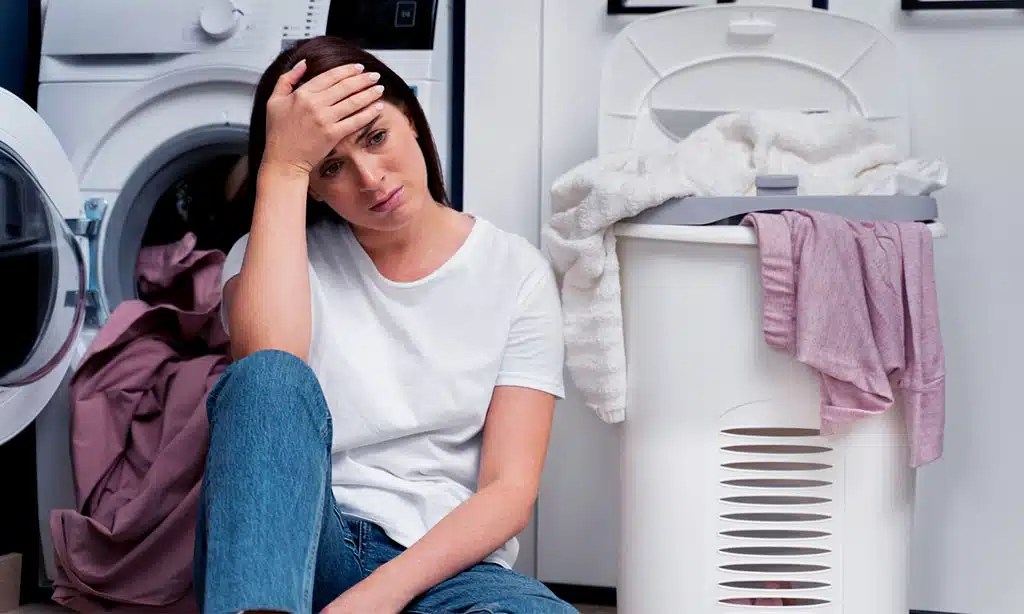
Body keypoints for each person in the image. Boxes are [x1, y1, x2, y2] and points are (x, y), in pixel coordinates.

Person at [192, 36, 576, 614]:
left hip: (442, 564)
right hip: (294, 545)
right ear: (313, 187)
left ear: (413, 120)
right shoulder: (271, 254)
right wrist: (283, 166)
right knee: (268, 376)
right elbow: (265, 373)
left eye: (376, 137)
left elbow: (509, 492)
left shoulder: (516, 271)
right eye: (331, 167)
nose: (371, 178)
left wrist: (375, 599)